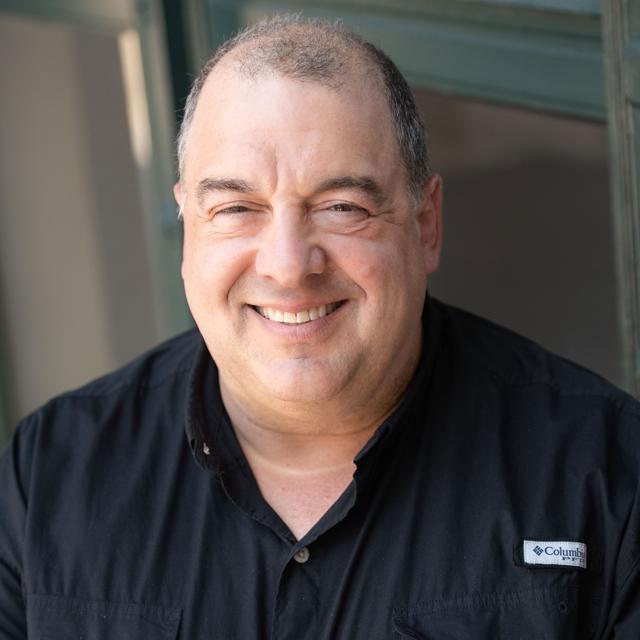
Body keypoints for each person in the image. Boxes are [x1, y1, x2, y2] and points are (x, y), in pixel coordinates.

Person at [1, 14, 639, 639]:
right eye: (236, 208)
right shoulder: (50, 476)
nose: (287, 266)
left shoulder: (609, 474)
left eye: (342, 207)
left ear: (425, 226)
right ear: (187, 226)